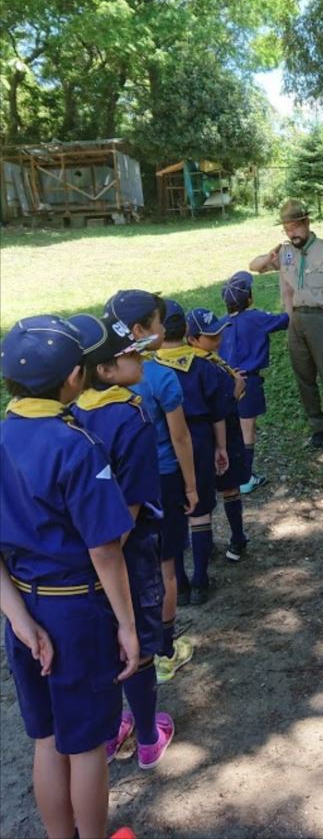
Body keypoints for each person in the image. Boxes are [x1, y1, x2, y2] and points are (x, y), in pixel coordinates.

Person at [0, 315, 138, 839]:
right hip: (75, 612)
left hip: (24, 609)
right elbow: (104, 548)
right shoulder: (74, 445)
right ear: (75, 379)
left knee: (46, 738)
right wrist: (127, 624)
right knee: (84, 744)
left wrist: (18, 621)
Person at [72, 311, 175, 770]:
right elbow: (129, 511)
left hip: (84, 557)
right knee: (138, 640)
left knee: (105, 639)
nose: (139, 354)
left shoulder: (69, 414)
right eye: (128, 353)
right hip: (126, 553)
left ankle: (113, 733)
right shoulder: (129, 417)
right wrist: (111, 552)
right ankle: (150, 736)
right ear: (104, 371)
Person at [105, 289, 198, 684]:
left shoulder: (100, 380)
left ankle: (123, 641)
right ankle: (164, 650)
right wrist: (192, 487)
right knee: (168, 567)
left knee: (124, 565)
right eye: (159, 323)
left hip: (119, 487)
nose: (164, 328)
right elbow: (180, 439)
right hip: (161, 480)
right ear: (141, 331)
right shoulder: (160, 377)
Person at [154, 302, 247, 603]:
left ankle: (178, 584)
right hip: (201, 439)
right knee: (200, 511)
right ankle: (200, 582)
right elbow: (218, 412)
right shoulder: (204, 367)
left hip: (165, 445)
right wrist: (221, 447)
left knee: (175, 513)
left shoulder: (149, 370)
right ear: (188, 333)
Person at [249, 198, 323, 448]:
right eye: (286, 229)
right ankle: (317, 425)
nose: (290, 233)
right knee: (303, 377)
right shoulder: (284, 253)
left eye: (294, 227)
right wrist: (270, 255)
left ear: (306, 222)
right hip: (295, 321)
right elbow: (254, 267)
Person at [219, 270, 289, 494]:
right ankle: (245, 477)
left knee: (230, 429)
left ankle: (229, 473)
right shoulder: (257, 318)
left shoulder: (221, 324)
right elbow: (285, 319)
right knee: (247, 431)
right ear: (249, 298)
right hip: (249, 382)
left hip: (225, 383)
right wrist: (288, 295)